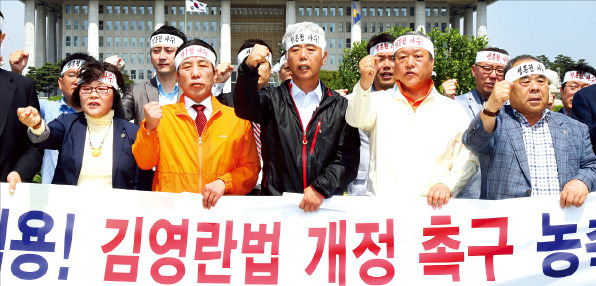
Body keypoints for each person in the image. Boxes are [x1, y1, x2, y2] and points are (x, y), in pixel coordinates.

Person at [234, 22, 360, 212]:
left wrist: (320, 188)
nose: (303, 56)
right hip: (278, 207)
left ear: (324, 57)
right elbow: (244, 108)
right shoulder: (271, 99)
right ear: (287, 58)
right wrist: (247, 69)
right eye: (295, 50)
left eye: (311, 49)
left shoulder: (340, 105)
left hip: (325, 208)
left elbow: (347, 159)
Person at [346, 31, 475, 209]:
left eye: (418, 56)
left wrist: (448, 184)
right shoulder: (377, 102)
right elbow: (356, 119)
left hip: (433, 214)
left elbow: (468, 158)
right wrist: (364, 83)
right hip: (383, 213)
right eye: (402, 57)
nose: (410, 63)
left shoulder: (453, 110)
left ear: (432, 63)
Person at [132, 39, 260, 209]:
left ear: (215, 75)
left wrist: (225, 182)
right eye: (186, 67)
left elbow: (250, 169)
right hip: (172, 217)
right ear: (177, 76)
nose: (195, 73)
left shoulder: (237, 119)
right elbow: (144, 163)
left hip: (221, 216)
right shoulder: (161, 117)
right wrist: (149, 129)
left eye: (202, 65)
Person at [463, 55, 596, 208]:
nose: (535, 88)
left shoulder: (575, 128)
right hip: (508, 225)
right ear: (508, 88)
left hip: (558, 226)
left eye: (541, 81)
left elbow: (591, 165)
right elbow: (474, 143)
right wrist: (491, 107)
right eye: (525, 82)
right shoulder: (496, 121)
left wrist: (582, 181)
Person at [17, 61, 151, 190]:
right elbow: (48, 136)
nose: (93, 95)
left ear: (115, 95)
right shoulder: (67, 123)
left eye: (102, 89)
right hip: (69, 211)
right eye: (86, 89)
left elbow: (142, 183)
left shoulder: (133, 133)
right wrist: (37, 124)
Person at [445, 47, 510, 199]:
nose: (493, 76)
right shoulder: (455, 104)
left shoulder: (515, 108)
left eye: (500, 70)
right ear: (474, 70)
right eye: (487, 69)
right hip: (466, 196)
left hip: (504, 199)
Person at [347, 33, 396, 196]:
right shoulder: (352, 101)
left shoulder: (411, 103)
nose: (387, 65)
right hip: (360, 190)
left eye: (392, 58)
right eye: (380, 59)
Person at [0, 10, 43, 193]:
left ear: (1, 38)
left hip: (7, 196)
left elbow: (35, 144)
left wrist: (19, 173)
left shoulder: (22, 86)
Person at [121, 25, 187, 125]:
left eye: (168, 50)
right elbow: (118, 118)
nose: (162, 56)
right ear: (151, 58)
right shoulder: (136, 91)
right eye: (156, 51)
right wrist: (110, 76)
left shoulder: (193, 89)